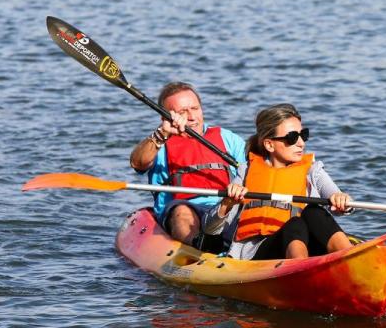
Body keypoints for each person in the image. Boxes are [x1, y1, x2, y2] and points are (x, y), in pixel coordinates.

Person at [204, 103, 353, 260]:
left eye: (304, 135)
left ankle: (350, 259)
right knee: (294, 224)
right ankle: (299, 269)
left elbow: (338, 198)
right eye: (292, 138)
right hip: (260, 252)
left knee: (314, 211)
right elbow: (209, 229)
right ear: (269, 144)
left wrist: (341, 200)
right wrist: (227, 203)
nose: (301, 143)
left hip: (308, 246)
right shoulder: (246, 171)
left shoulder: (313, 170)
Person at [129, 82, 247, 248]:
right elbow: (137, 163)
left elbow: (252, 171)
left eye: (195, 108)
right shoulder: (161, 143)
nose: (192, 117)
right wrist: (162, 134)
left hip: (226, 206)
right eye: (182, 112)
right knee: (182, 212)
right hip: (185, 211)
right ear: (165, 117)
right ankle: (200, 245)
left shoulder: (227, 138)